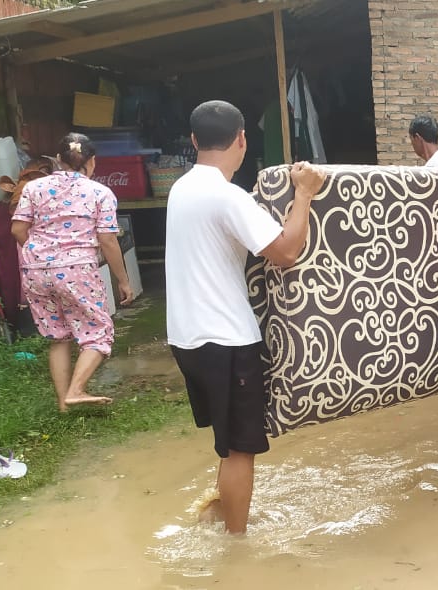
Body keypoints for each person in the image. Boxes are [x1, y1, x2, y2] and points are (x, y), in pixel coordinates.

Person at [165, 100, 327, 535]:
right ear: (241, 139)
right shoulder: (227, 196)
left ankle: (223, 511)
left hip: (186, 337)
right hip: (226, 339)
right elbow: (286, 252)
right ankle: (237, 543)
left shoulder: (182, 188)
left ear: (194, 140)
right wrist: (304, 194)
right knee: (240, 448)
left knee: (228, 440)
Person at [10, 133, 133, 412]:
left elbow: (18, 230)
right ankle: (76, 390)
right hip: (77, 270)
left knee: (58, 337)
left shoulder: (33, 188)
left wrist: (40, 255)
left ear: (57, 159)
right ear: (92, 161)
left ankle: (63, 406)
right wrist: (123, 280)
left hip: (36, 271)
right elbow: (107, 240)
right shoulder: (100, 193)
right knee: (98, 333)